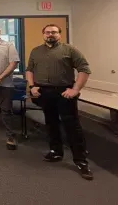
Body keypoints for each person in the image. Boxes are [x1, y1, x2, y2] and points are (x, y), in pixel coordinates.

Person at [26, 24, 93, 180]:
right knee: (51, 123)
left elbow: (84, 69)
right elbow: (29, 69)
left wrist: (75, 89)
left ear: (60, 35)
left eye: (54, 32)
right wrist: (32, 86)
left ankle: (81, 161)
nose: (51, 34)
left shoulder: (70, 50)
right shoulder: (36, 51)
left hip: (64, 92)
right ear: (43, 34)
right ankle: (56, 152)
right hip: (44, 92)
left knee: (72, 125)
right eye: (48, 32)